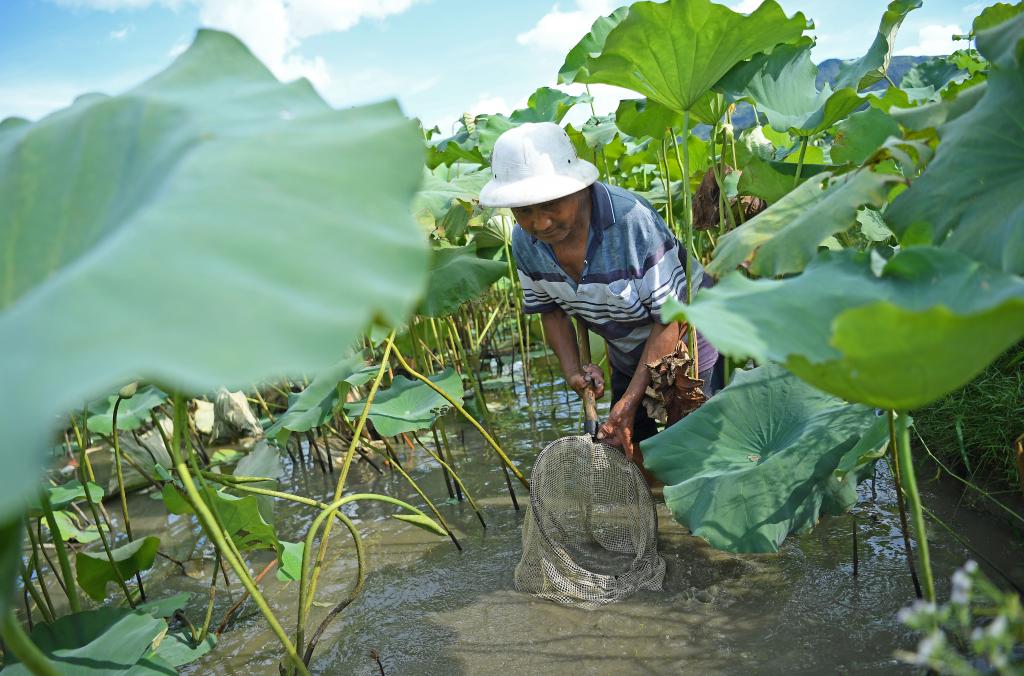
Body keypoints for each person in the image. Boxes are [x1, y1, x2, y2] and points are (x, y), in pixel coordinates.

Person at [479, 122, 721, 464]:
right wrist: (573, 371)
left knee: (695, 451)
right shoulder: (525, 241)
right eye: (524, 210)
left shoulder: (631, 220)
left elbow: (670, 318)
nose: (540, 223)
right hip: (627, 349)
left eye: (551, 204)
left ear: (579, 188)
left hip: (690, 338)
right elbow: (550, 311)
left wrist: (630, 401)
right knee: (627, 448)